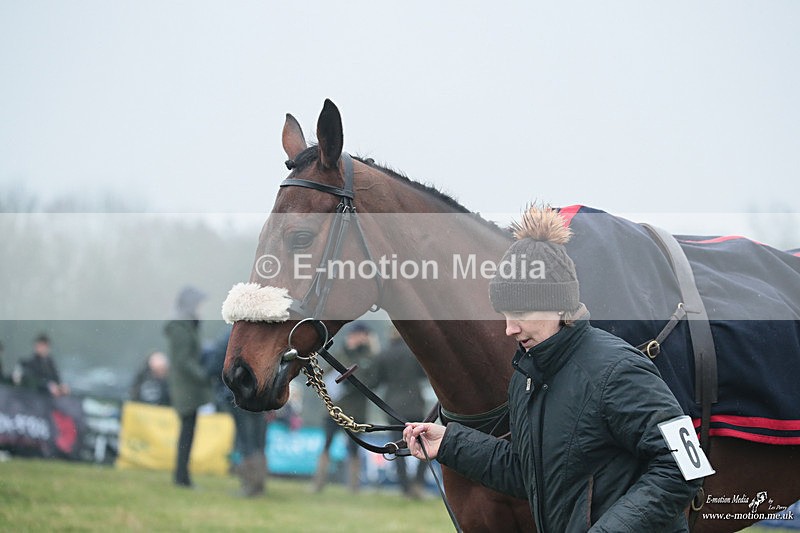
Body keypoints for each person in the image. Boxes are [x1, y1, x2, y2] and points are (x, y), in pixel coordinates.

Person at [404, 205, 704, 532]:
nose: (510, 328)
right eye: (504, 314)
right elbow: (529, 474)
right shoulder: (525, 380)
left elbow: (684, 467)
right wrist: (449, 443)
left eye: (521, 312)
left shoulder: (620, 368)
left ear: (560, 305)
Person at [203, 325, 269, 497]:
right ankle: (258, 484)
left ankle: (251, 486)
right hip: (259, 395)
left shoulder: (230, 338)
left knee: (246, 441)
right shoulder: (263, 335)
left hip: (238, 397)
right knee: (257, 441)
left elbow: (213, 367)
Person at [312, 322, 376, 494]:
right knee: (326, 444)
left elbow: (369, 380)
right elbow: (326, 374)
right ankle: (318, 483)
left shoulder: (368, 356)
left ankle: (354, 486)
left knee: (354, 449)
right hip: (335, 409)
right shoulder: (341, 353)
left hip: (355, 412)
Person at [369, 325, 428, 499]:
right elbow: (424, 375)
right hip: (415, 404)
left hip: (393, 407)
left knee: (398, 447)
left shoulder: (384, 354)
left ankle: (405, 488)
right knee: (423, 444)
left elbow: (374, 381)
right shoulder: (414, 353)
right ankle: (418, 483)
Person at [165, 286, 213, 488]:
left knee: (189, 432)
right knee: (186, 433)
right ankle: (181, 477)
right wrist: (204, 376)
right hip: (186, 388)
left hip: (190, 388)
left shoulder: (188, 325)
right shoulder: (180, 326)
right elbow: (183, 360)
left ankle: (183, 476)